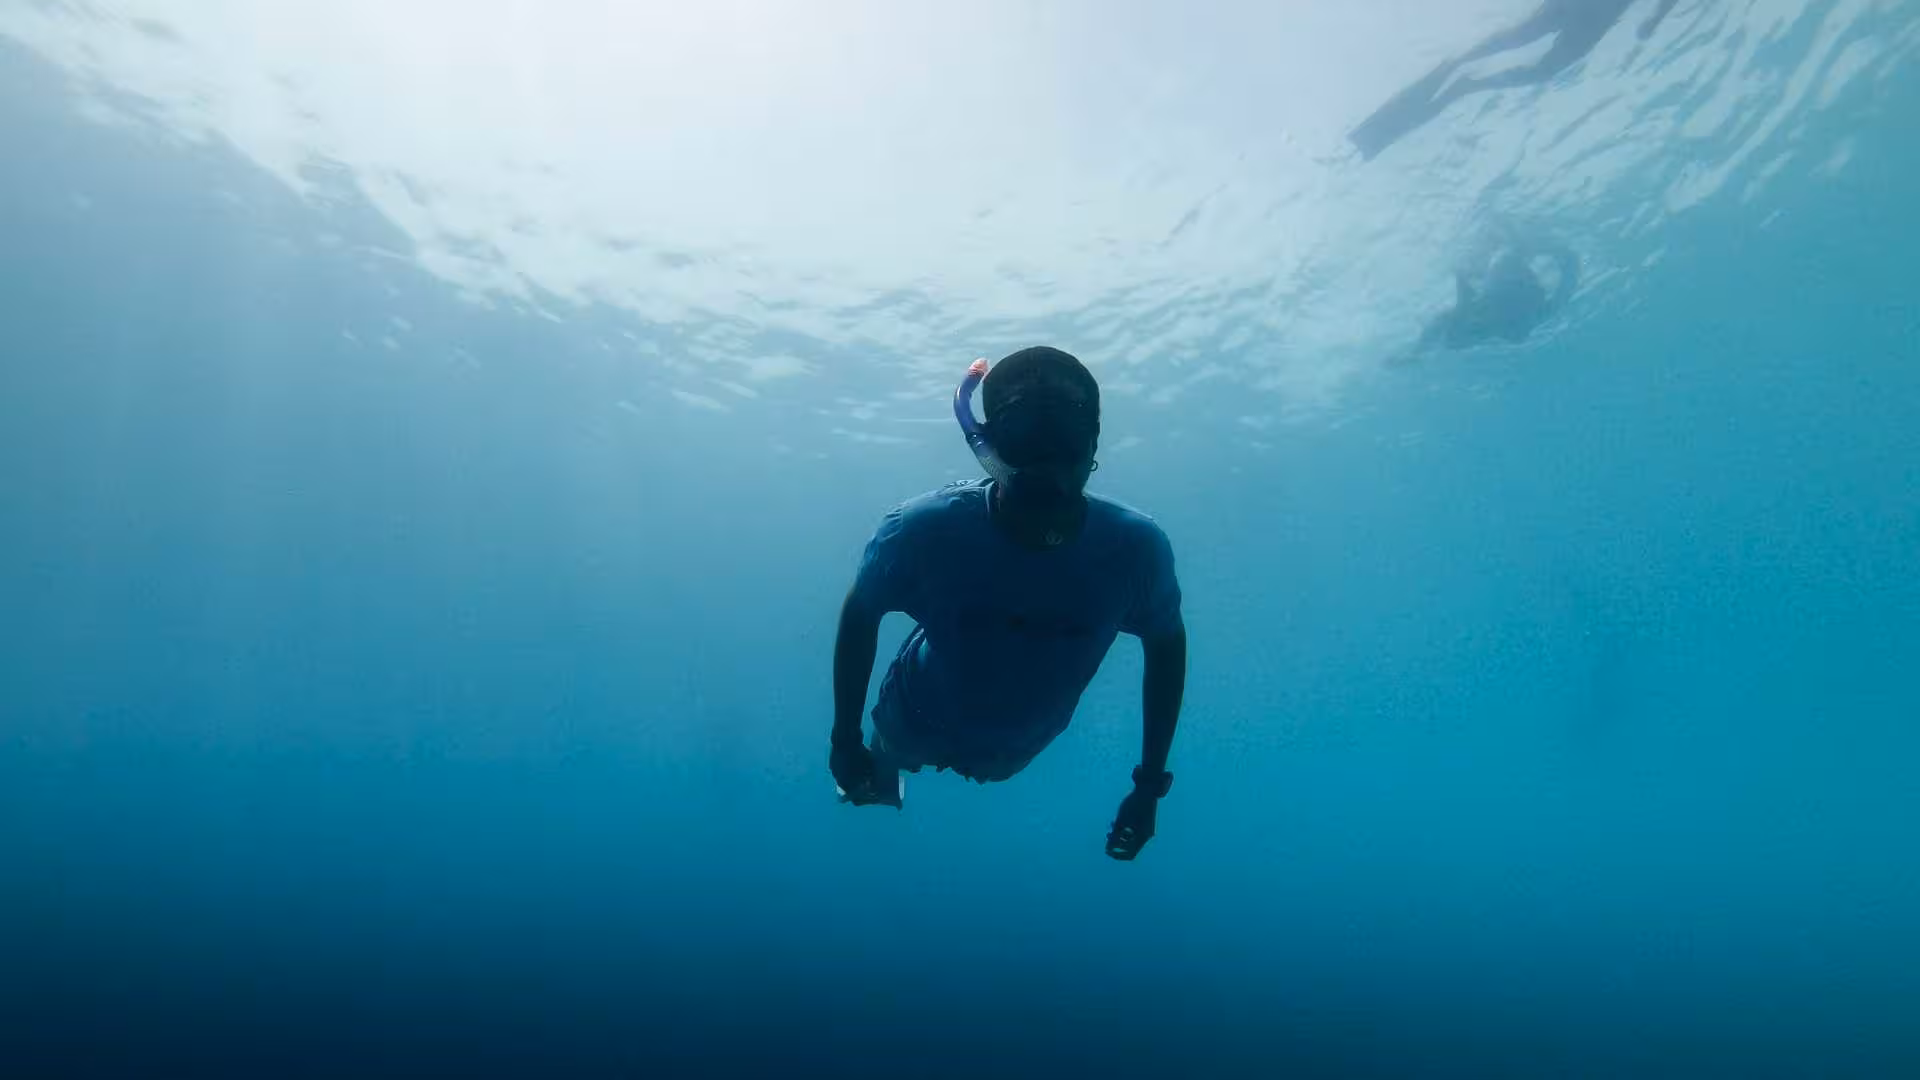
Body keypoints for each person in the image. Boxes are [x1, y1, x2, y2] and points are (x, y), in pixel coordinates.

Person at [829, 346, 1188, 861]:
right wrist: (845, 742)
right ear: (990, 446)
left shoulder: (1134, 551)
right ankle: (881, 777)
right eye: (1026, 440)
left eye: (1062, 442)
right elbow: (861, 612)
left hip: (1012, 750)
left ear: (1091, 449)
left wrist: (1150, 786)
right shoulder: (923, 531)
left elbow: (1168, 645)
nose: (1049, 470)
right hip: (915, 714)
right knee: (886, 761)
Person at [1349, 0, 1681, 160]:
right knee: (1522, 49)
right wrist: (1653, 19)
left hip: (1587, 20)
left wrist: (1655, 17)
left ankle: (1463, 81)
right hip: (1582, 12)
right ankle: (1461, 76)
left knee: (1535, 62)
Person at [1418, 233, 1581, 351]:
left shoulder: (1479, 313)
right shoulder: (1521, 320)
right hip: (1506, 287)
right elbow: (1564, 292)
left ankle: (1507, 246)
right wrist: (1568, 258)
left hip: (1504, 286)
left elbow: (1564, 292)